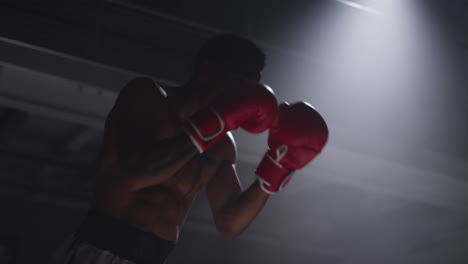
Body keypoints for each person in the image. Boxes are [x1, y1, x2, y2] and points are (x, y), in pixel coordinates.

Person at [49, 34, 329, 264]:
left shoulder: (221, 145)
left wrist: (278, 167)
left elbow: (230, 223)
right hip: (96, 250)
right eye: (241, 84)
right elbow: (132, 176)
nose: (244, 96)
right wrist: (211, 125)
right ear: (207, 70)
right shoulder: (147, 96)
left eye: (251, 89)